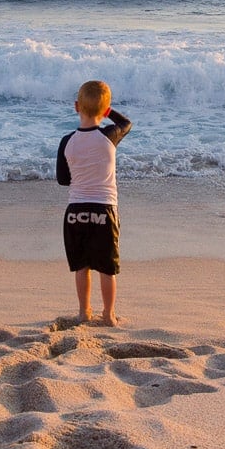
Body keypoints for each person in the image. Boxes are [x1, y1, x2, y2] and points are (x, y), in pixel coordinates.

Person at [56, 80, 132, 326]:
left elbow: (63, 179)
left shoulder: (67, 141)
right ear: (105, 110)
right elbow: (126, 124)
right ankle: (109, 315)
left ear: (76, 106)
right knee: (107, 267)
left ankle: (83, 312)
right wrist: (107, 110)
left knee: (82, 265)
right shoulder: (109, 135)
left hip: (75, 210)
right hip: (104, 209)